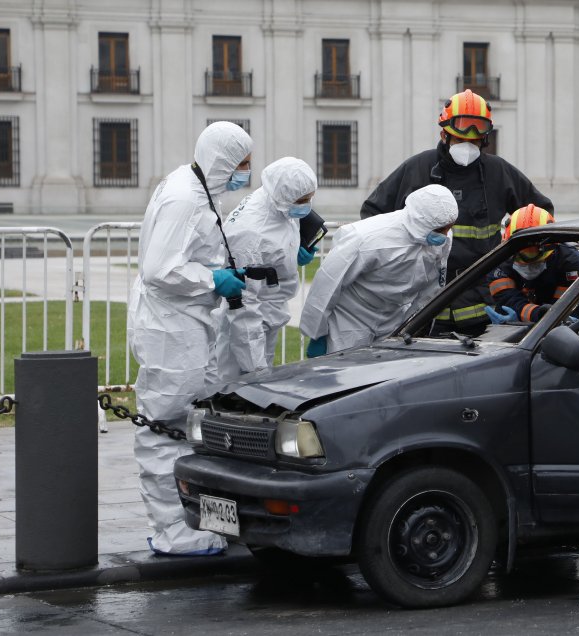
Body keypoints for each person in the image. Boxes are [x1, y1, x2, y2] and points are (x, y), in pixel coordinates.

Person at [128, 121, 253, 555]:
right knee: (164, 428)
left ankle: (187, 522)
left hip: (184, 325)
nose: (246, 172)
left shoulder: (198, 190)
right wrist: (212, 279)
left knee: (185, 425)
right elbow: (160, 269)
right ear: (223, 160)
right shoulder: (185, 196)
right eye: (242, 164)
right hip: (171, 330)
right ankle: (171, 532)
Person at [359, 89, 553, 335]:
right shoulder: (418, 169)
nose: (468, 145)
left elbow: (540, 217)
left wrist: (512, 264)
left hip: (484, 304)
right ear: (444, 134)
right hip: (423, 302)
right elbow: (373, 217)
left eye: (474, 140)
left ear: (485, 139)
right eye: (461, 139)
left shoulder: (498, 172)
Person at [300, 184, 459, 355]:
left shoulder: (441, 238)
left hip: (394, 318)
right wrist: (316, 333)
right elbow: (328, 284)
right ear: (422, 221)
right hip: (351, 318)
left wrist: (411, 324)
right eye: (441, 229)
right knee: (345, 373)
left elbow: (432, 289)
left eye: (449, 227)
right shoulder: (366, 238)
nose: (445, 233)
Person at [211, 157, 318, 383]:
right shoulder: (251, 235)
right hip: (250, 319)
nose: (306, 206)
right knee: (238, 386)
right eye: (302, 200)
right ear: (286, 196)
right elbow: (243, 310)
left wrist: (292, 253)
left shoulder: (277, 199)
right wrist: (257, 370)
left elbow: (278, 238)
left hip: (269, 308)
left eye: (309, 198)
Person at [487, 204, 579, 324]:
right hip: (517, 329)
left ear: (552, 246)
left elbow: (565, 307)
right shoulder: (499, 262)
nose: (529, 263)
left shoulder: (569, 261)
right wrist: (539, 315)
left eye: (536, 255)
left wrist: (542, 317)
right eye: (523, 255)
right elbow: (510, 301)